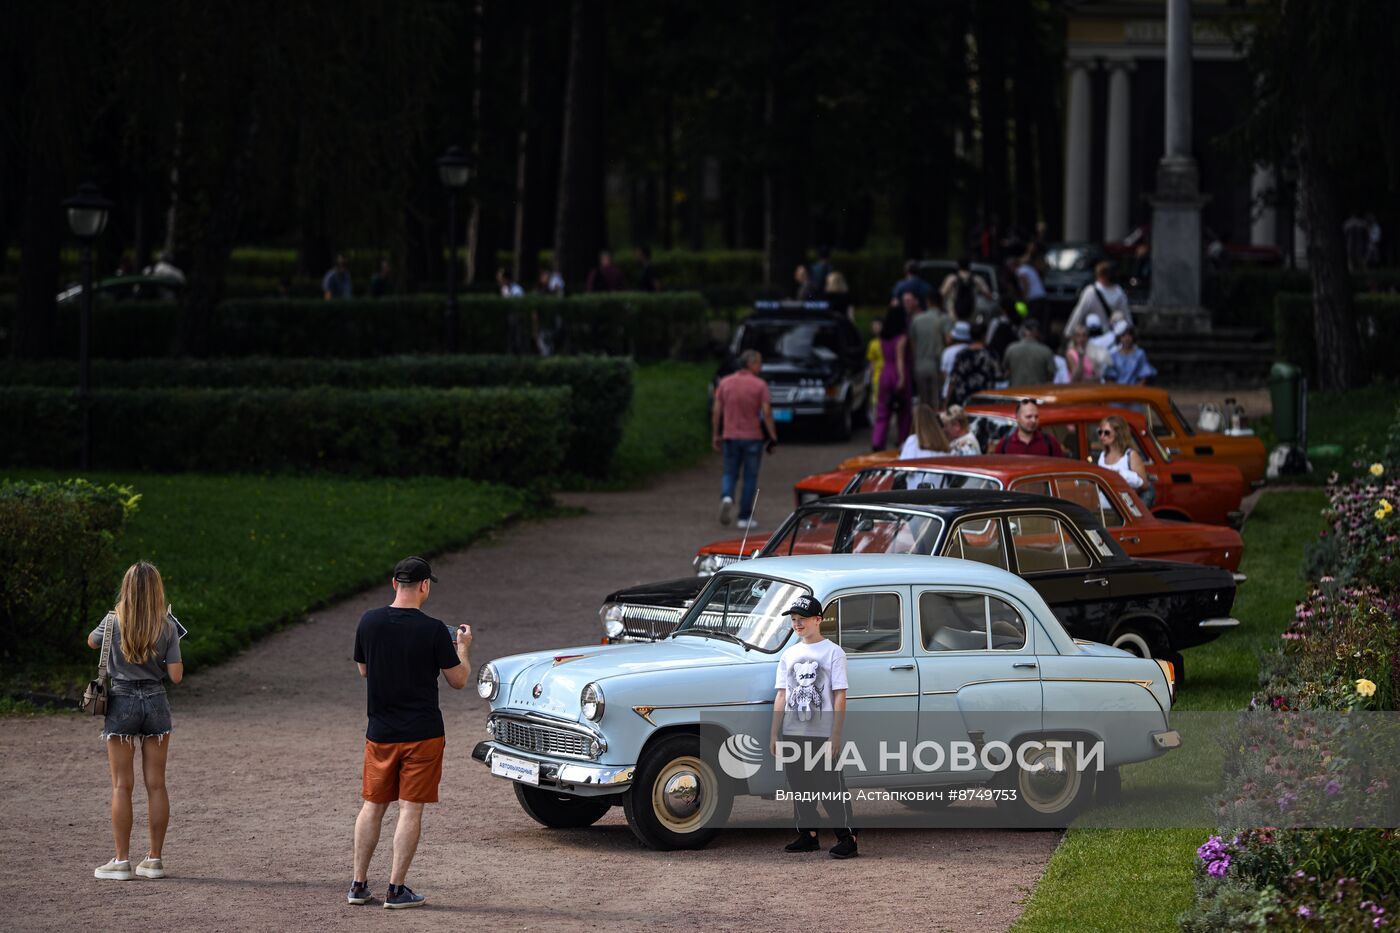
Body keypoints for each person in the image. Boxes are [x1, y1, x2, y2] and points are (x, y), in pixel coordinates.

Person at [349, 556, 473, 909]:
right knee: (409, 810)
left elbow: (363, 670)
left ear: (393, 584)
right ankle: (395, 889)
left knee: (371, 807)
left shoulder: (369, 621)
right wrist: (463, 648)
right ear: (424, 586)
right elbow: (459, 680)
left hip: (380, 732)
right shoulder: (433, 629)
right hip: (422, 733)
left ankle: (358, 884)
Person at [89, 561, 184, 882]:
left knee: (121, 785)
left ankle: (121, 861)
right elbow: (176, 676)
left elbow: (91, 641)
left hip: (122, 702)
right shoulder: (167, 626)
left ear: (126, 589)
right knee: (156, 784)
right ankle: (154, 859)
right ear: (157, 590)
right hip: (155, 702)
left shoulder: (112, 621)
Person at [769, 595, 856, 860]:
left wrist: (836, 735)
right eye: (794, 619)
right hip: (793, 733)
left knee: (830, 787)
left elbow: (839, 695)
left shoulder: (833, 652)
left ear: (818, 620)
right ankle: (808, 835)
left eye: (803, 619)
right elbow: (782, 695)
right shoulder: (789, 654)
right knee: (800, 786)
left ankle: (848, 838)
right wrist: (774, 732)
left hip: (823, 735)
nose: (797, 623)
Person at [712, 350, 776, 530]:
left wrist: (716, 434)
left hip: (730, 436)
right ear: (751, 364)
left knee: (729, 473)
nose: (761, 366)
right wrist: (772, 436)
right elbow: (767, 412)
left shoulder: (725, 383)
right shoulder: (760, 385)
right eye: (759, 363)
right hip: (753, 437)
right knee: (750, 477)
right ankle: (744, 517)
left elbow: (717, 411)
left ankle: (726, 496)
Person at [871, 304, 912, 450]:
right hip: (898, 373)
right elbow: (900, 358)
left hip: (885, 372)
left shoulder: (883, 337)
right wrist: (901, 378)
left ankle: (877, 441)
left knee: (882, 410)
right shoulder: (901, 338)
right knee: (904, 411)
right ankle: (902, 441)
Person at [1064, 261, 1131, 338]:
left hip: (1093, 336)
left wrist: (1069, 332)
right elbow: (1126, 316)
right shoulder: (1119, 292)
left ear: (1100, 275)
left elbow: (1079, 313)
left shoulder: (1090, 292)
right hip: (1111, 336)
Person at [944, 320, 1002, 409]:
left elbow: (953, 380)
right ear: (984, 336)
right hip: (986, 401)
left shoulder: (962, 355)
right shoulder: (991, 355)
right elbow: (999, 378)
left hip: (963, 401)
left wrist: (947, 402)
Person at [1096, 415, 1151, 502]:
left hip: (1123, 508)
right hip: (1105, 507)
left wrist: (1121, 475)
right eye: (1100, 432)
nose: (1102, 436)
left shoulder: (1130, 455)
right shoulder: (1102, 455)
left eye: (1106, 433)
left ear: (1118, 433)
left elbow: (1144, 484)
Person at [907, 290, 946, 408]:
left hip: (919, 365)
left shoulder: (916, 319)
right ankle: (935, 426)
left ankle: (923, 426)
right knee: (936, 403)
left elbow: (912, 345)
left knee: (923, 404)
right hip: (937, 366)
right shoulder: (944, 319)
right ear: (941, 302)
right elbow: (949, 340)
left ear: (928, 302)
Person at [993, 398, 1064, 457]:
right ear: (1017, 418)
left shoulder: (1050, 442)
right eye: (1028, 417)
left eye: (1036, 417)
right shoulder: (1004, 445)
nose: (1033, 420)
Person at [1002, 319, 1056, 387]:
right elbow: (1051, 375)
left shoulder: (1011, 349)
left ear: (1023, 331)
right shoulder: (1046, 351)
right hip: (1037, 394)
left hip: (1016, 393)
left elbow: (1006, 372)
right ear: (1037, 332)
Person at [939, 257, 991, 321]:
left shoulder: (952, 279)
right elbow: (988, 294)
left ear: (958, 266)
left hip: (954, 316)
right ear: (969, 266)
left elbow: (941, 295)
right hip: (971, 316)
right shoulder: (976, 280)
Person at [1015, 246, 1048, 335]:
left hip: (1034, 298)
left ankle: (1027, 335)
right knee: (1040, 321)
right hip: (1042, 297)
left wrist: (1024, 298)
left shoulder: (1021, 271)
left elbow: (1026, 285)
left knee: (1030, 320)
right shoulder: (1029, 268)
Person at [940, 319, 972, 403]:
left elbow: (945, 374)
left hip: (948, 393)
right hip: (967, 393)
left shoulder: (947, 351)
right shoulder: (970, 350)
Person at [865, 320, 883, 424]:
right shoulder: (872, 344)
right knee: (876, 401)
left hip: (886, 376)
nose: (876, 328)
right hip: (877, 377)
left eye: (878, 325)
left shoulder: (887, 342)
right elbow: (871, 363)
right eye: (874, 326)